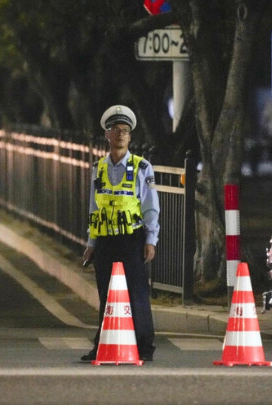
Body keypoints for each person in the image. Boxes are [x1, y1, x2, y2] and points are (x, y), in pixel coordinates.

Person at [80, 105, 160, 362]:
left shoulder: (142, 167)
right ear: (107, 134)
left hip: (132, 239)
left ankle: (144, 346)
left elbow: (150, 207)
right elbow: (94, 207)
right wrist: (91, 242)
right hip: (105, 241)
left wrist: (151, 240)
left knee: (137, 293)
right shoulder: (98, 168)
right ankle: (102, 344)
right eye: (116, 130)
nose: (121, 134)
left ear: (130, 136)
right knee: (106, 295)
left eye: (125, 131)